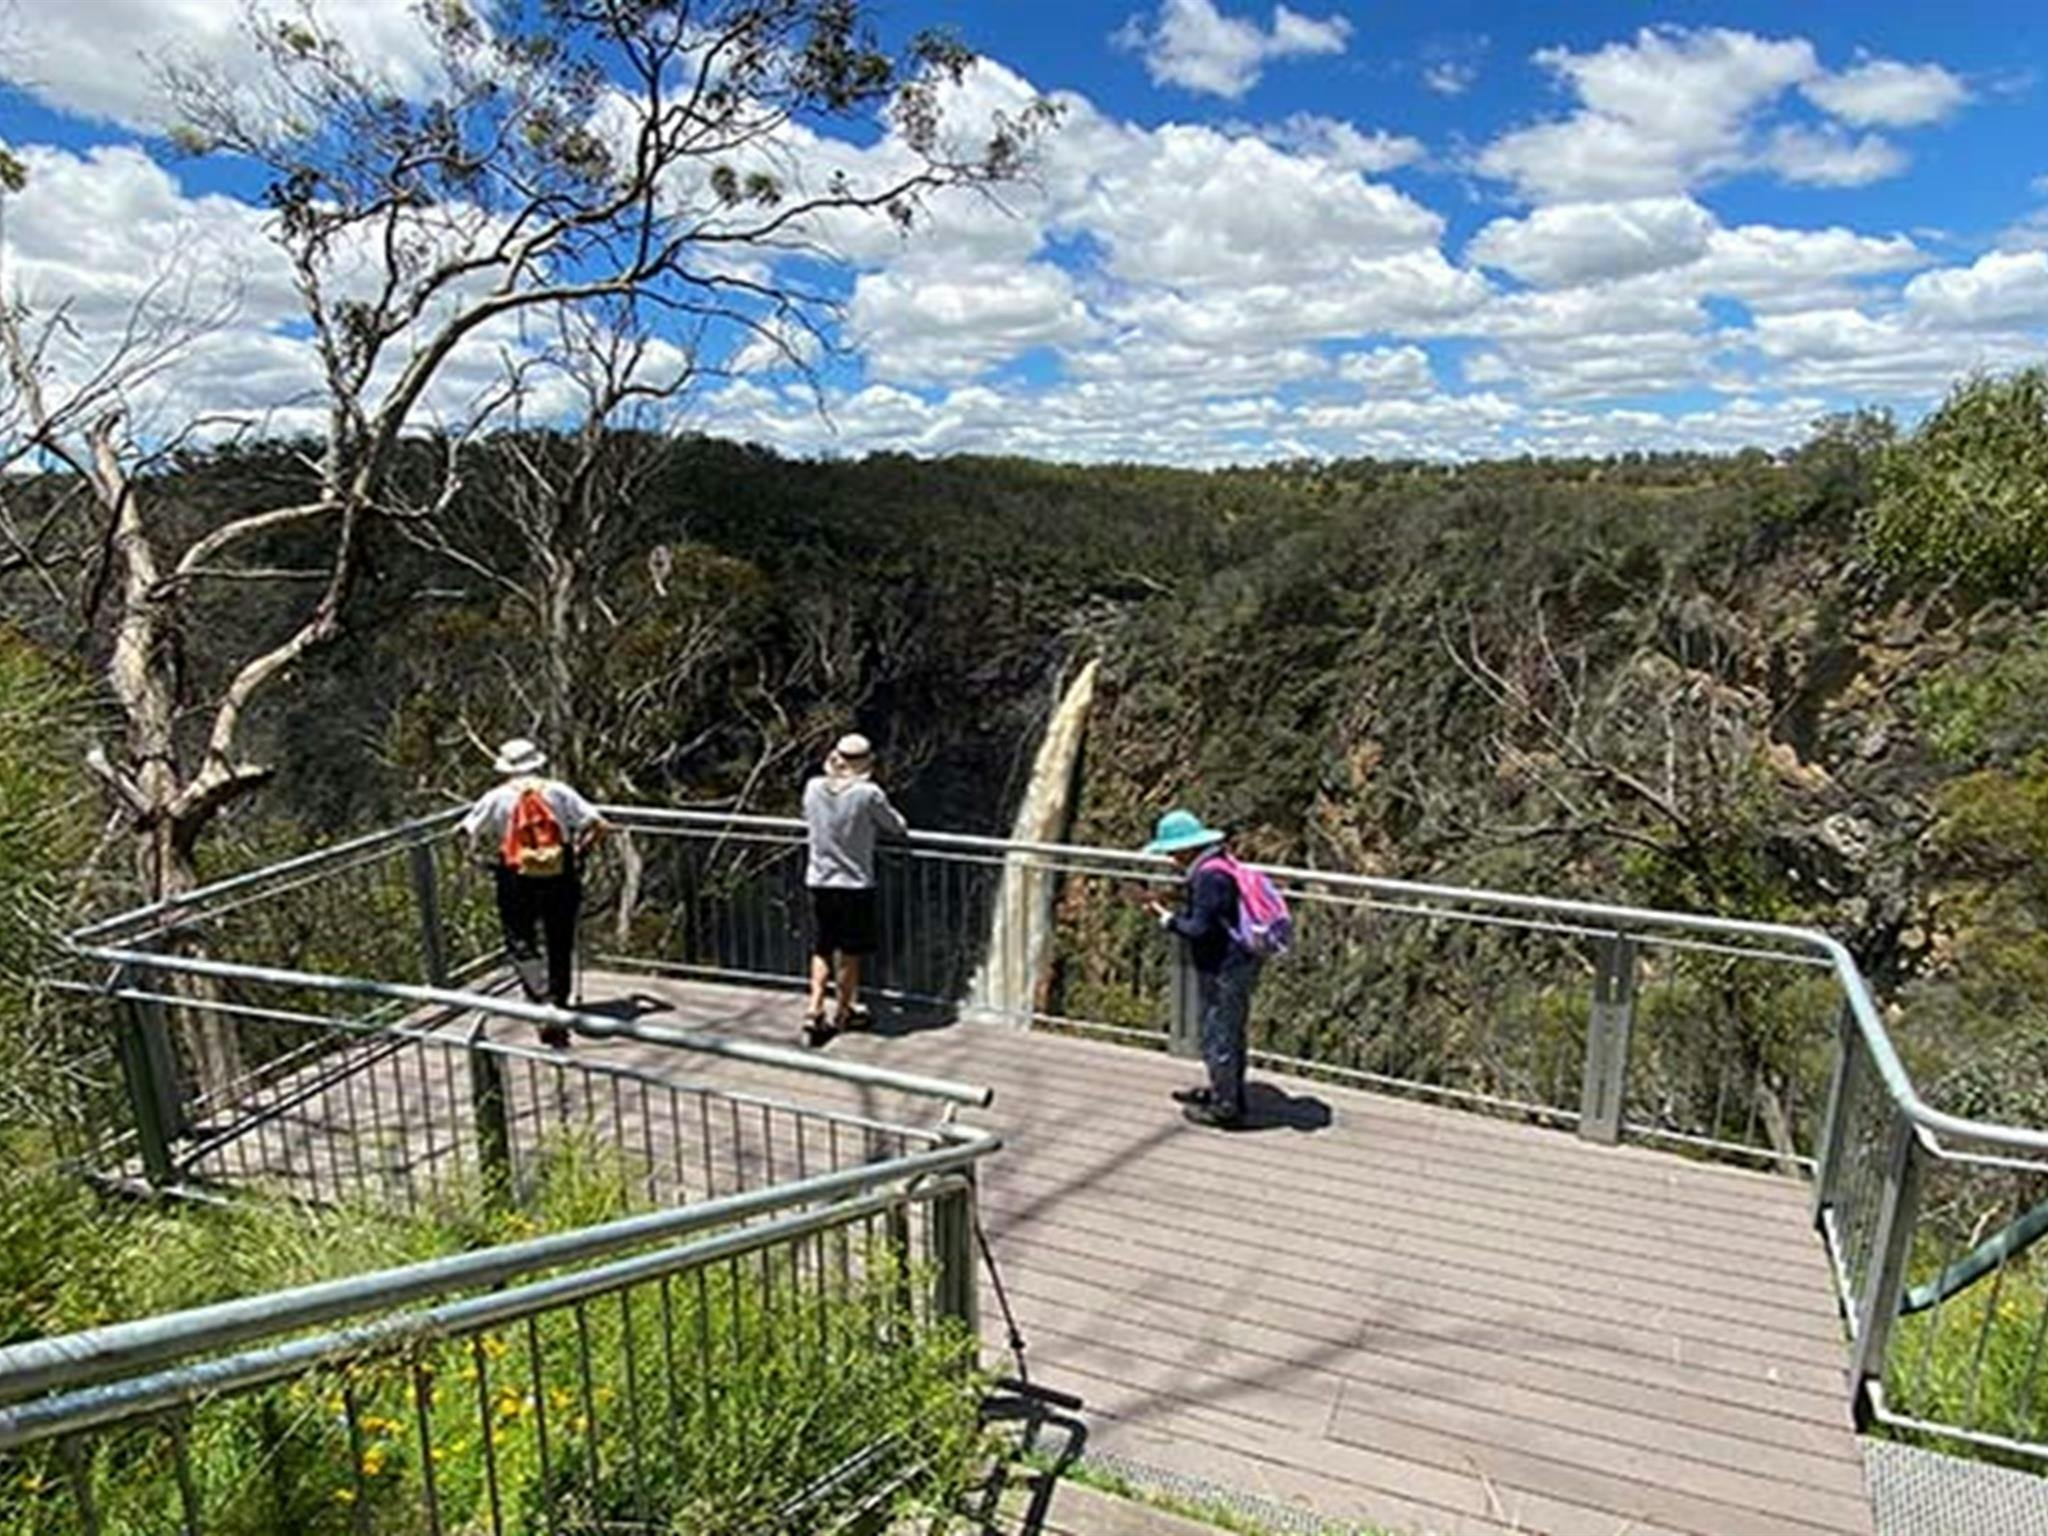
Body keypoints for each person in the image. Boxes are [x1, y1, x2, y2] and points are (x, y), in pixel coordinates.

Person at [461, 738, 609, 1046]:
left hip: (516, 874)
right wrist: (579, 852)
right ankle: (559, 1003)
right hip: (560, 870)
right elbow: (599, 824)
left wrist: (477, 859)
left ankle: (541, 1001)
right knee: (560, 937)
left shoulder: (496, 797)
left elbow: (464, 831)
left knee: (520, 938)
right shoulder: (559, 791)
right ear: (537, 763)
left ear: (506, 768)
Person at [1144, 808, 1262, 1129]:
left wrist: (1165, 917)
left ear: (1186, 848)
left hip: (1225, 965)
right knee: (1224, 1030)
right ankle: (1226, 1092)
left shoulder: (1209, 876)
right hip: (1231, 962)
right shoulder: (1217, 865)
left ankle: (1227, 1108)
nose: (1170, 858)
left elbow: (1199, 928)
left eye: (1172, 852)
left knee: (1219, 1034)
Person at [801, 732, 908, 1047]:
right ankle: (844, 1012)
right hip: (854, 884)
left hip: (819, 880)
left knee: (822, 947)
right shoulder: (867, 794)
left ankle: (814, 1008)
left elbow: (808, 817)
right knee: (850, 952)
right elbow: (895, 825)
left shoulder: (812, 787)